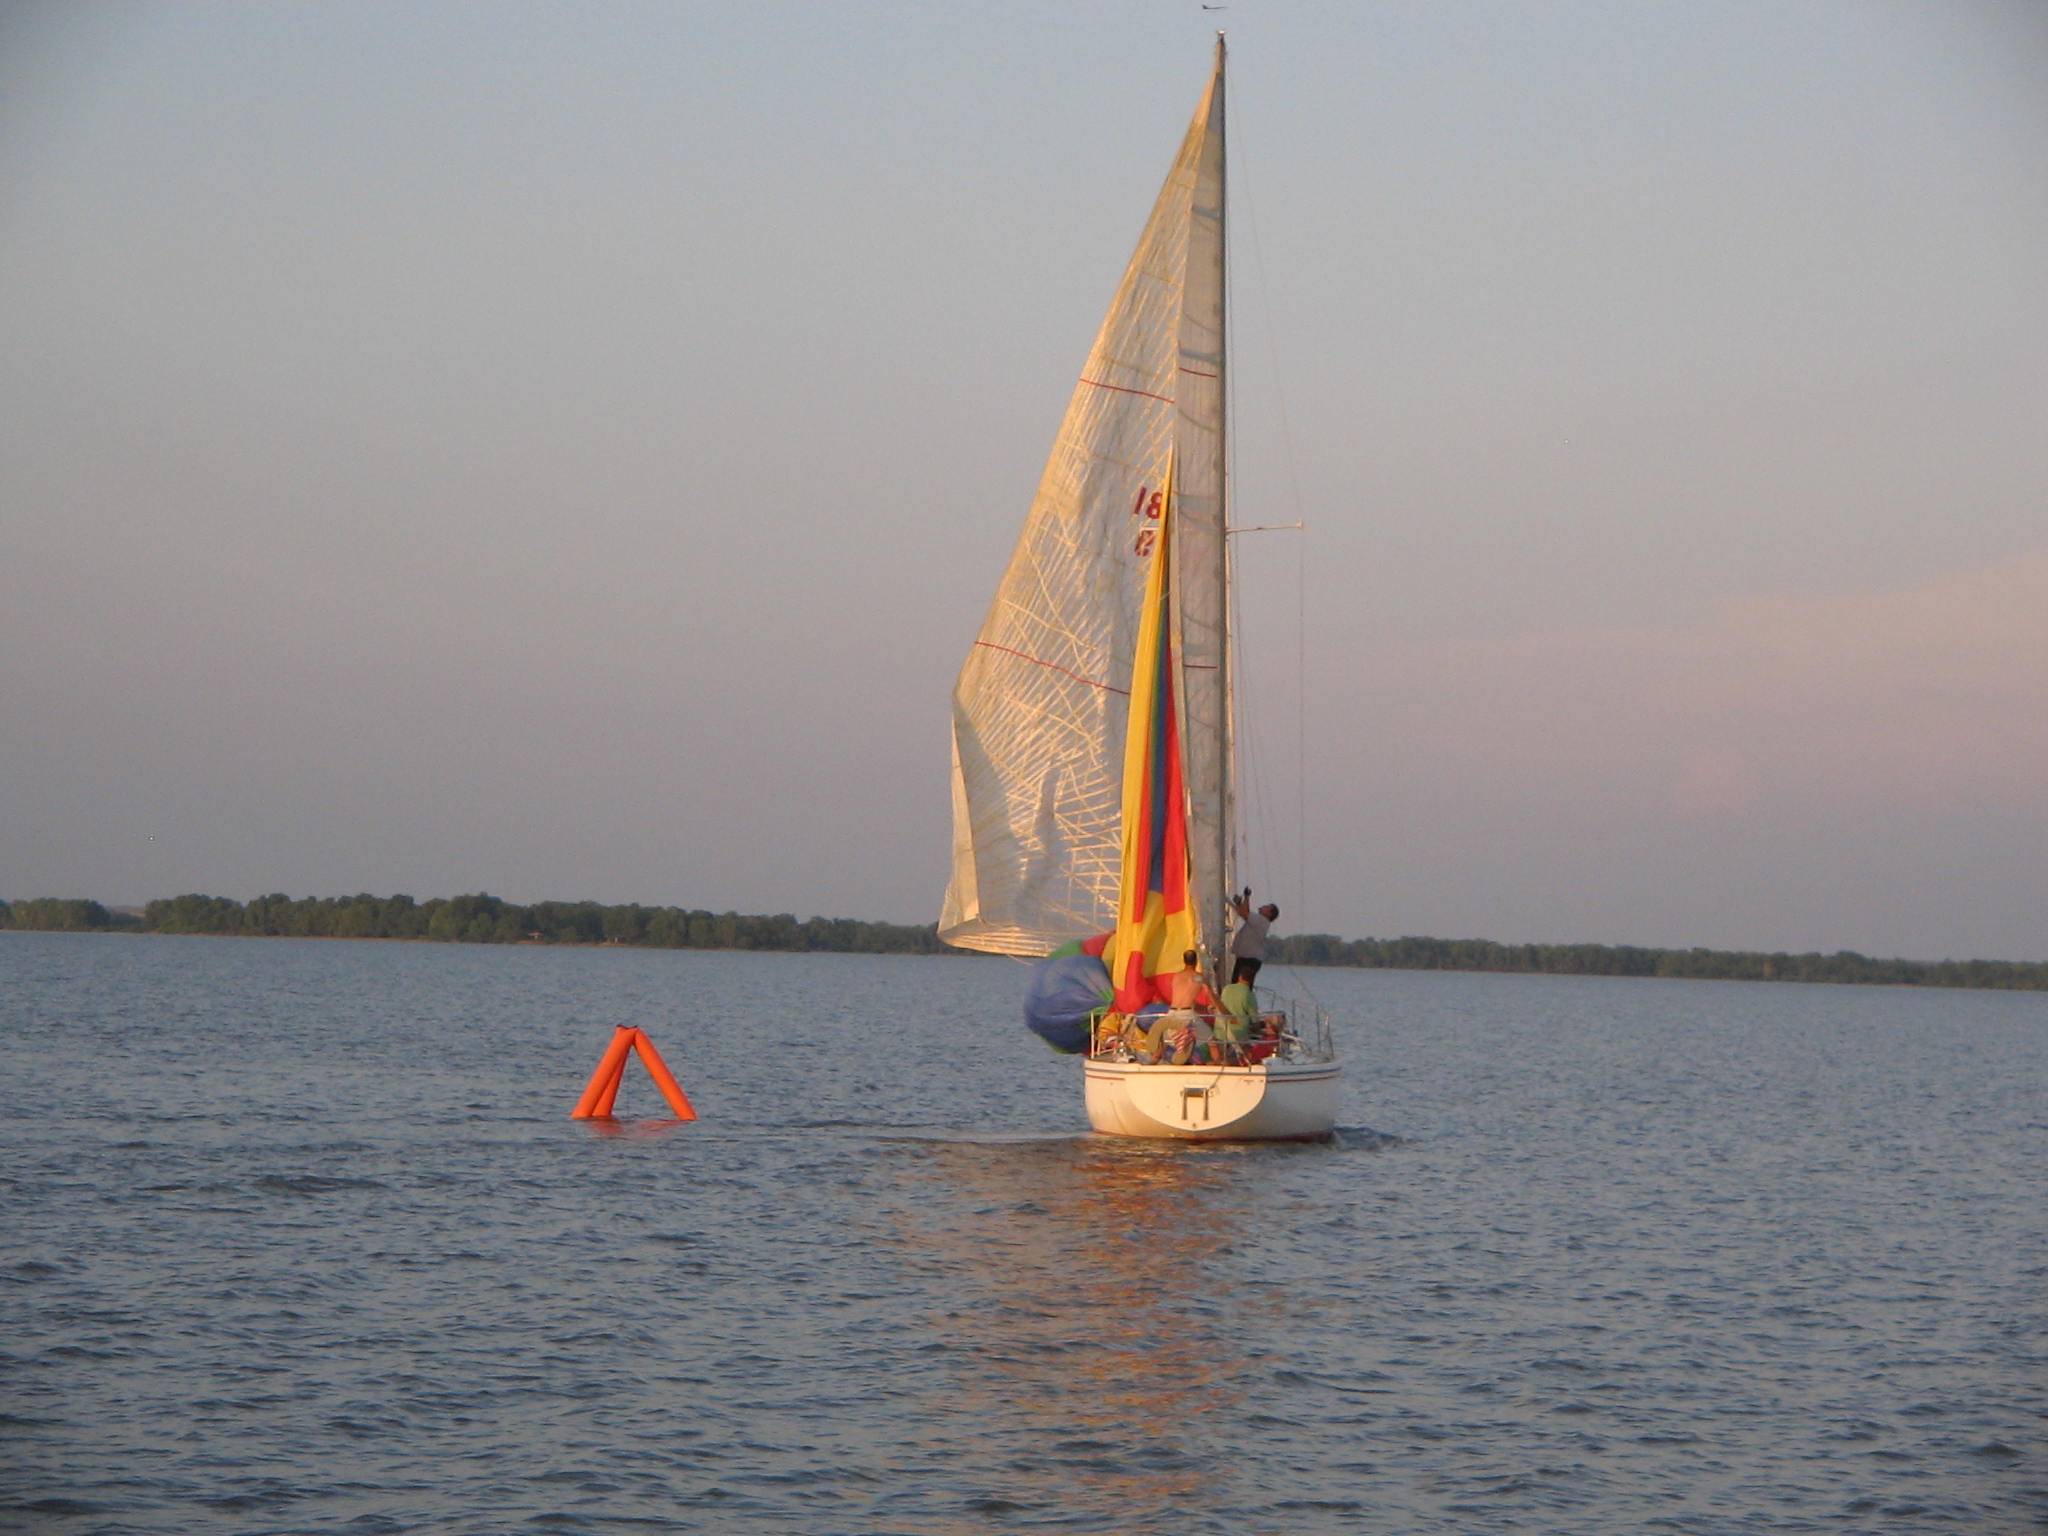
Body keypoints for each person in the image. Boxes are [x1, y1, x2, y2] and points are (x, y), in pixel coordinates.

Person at [1228, 889, 1279, 986]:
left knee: (1239, 985)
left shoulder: (1261, 920)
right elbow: (1243, 912)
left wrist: (1246, 897)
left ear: (1269, 914)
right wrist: (1240, 903)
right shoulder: (1259, 921)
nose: (1263, 906)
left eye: (1266, 907)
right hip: (1247, 959)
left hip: (1248, 960)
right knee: (1239, 985)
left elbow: (1244, 913)